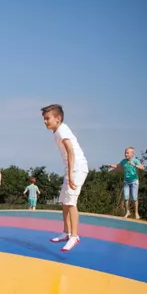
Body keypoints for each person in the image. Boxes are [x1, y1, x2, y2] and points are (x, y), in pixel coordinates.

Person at [41, 104, 88, 252]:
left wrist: (71, 174)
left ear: (58, 118)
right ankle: (66, 232)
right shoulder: (57, 131)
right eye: (44, 119)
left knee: (71, 202)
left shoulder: (62, 130)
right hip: (71, 168)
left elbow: (71, 152)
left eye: (47, 118)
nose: (45, 121)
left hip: (77, 168)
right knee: (64, 201)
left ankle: (74, 236)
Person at [109, 147, 144, 219]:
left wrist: (134, 165)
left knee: (134, 198)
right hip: (126, 182)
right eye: (125, 152)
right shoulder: (123, 161)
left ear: (132, 154)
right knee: (126, 197)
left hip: (134, 181)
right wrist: (111, 165)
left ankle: (136, 213)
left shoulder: (135, 160)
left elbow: (142, 167)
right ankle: (127, 212)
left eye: (127, 153)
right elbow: (118, 166)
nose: (126, 154)